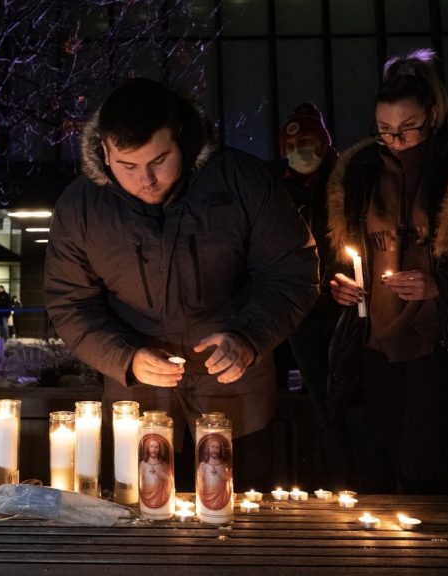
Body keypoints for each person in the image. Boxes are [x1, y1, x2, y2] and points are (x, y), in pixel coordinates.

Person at [45, 78, 319, 491]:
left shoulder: (240, 180)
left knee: (237, 502)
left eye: (159, 160)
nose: (147, 180)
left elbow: (292, 269)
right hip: (136, 383)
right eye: (128, 166)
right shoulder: (80, 206)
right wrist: (125, 357)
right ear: (104, 151)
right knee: (139, 504)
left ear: (182, 138)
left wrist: (250, 337)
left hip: (234, 375)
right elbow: (69, 302)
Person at [326, 50, 448, 494]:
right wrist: (338, 284)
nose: (396, 140)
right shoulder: (362, 172)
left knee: (424, 471)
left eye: (407, 128)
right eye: (384, 130)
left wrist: (441, 284)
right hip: (374, 343)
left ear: (432, 115)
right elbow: (345, 251)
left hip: (439, 345)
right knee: (380, 466)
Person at [268, 102, 342, 486]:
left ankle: (340, 471)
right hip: (294, 308)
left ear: (325, 144)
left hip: (340, 303)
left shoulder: (344, 184)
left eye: (308, 143)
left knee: (339, 394)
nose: (300, 152)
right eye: (291, 146)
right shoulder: (280, 191)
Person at [196, 433, 232, 510]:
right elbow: (200, 481)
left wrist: (220, 473)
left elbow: (228, 479)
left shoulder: (223, 465)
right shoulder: (203, 465)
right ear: (208, 448)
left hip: (221, 496)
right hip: (207, 495)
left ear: (220, 450)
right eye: (212, 446)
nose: (214, 450)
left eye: (217, 447)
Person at [138, 434, 173, 510]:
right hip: (146, 495)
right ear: (148, 448)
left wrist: (164, 476)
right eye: (151, 446)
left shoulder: (163, 464)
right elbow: (139, 481)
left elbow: (170, 481)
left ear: (159, 449)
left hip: (159, 496)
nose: (153, 450)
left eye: (156, 447)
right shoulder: (143, 464)